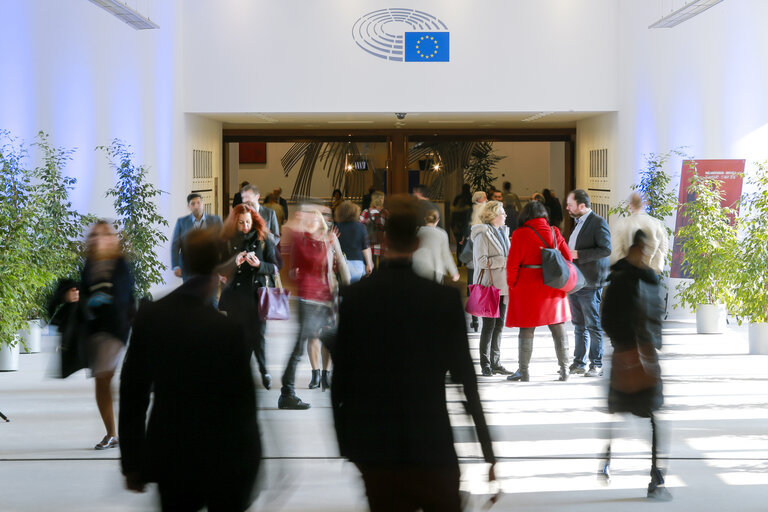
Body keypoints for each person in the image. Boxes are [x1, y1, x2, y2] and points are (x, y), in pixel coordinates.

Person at [331, 194, 497, 512]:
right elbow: (467, 380)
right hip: (431, 440)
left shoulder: (356, 298)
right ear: (418, 244)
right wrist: (488, 453)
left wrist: (348, 446)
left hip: (378, 447)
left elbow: (342, 379)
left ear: (383, 240)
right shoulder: (442, 300)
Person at [119, 228, 261, 511]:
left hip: (171, 455)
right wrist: (249, 471)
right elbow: (243, 408)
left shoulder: (151, 317)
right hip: (222, 459)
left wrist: (133, 463)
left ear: (182, 267)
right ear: (221, 270)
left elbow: (132, 394)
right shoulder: (228, 331)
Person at [599, 230, 670, 500]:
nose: (647, 254)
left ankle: (647, 471)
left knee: (627, 413)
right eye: (645, 249)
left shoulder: (630, 278)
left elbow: (609, 317)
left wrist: (627, 344)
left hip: (632, 356)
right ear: (636, 250)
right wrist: (634, 344)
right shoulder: (634, 279)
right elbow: (651, 317)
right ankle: (653, 474)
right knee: (645, 416)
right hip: (636, 355)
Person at [279, 205, 350, 409]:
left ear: (321, 223)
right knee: (301, 346)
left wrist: (348, 290)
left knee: (334, 342)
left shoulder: (329, 239)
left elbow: (342, 266)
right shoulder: (301, 242)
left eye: (314, 220)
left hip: (327, 298)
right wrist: (325, 243)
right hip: (308, 301)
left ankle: (335, 384)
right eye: (306, 220)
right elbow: (304, 264)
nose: (310, 223)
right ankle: (287, 393)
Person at [81, 221, 136, 449]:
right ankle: (112, 433)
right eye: (94, 235)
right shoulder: (90, 264)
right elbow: (84, 293)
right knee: (101, 383)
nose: (97, 239)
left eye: (102, 235)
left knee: (103, 376)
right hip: (95, 330)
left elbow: (123, 298)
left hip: (114, 330)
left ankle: (116, 433)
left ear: (111, 238)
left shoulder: (119, 264)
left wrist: (101, 300)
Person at [505, 201, 572, 382]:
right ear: (544, 214)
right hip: (552, 285)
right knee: (557, 326)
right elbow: (568, 257)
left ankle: (524, 371)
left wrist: (511, 284)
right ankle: (565, 369)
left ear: (525, 215)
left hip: (527, 286)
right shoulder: (554, 231)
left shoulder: (520, 234)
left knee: (527, 328)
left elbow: (512, 264)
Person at [218, 203, 279, 390]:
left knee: (258, 335)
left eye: (248, 222)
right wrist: (233, 263)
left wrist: (259, 265)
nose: (245, 226)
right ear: (234, 223)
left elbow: (275, 267)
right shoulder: (226, 240)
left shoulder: (263, 238)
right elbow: (219, 270)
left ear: (254, 221)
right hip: (236, 296)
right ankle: (241, 374)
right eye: (241, 223)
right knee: (240, 336)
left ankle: (263, 370)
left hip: (257, 294)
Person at [565, 189, 611, 377]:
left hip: (590, 281)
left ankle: (596, 364)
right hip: (576, 281)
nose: (567, 207)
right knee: (578, 325)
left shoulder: (598, 222)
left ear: (582, 206)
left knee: (592, 324)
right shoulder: (578, 223)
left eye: (571, 204)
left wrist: (579, 254)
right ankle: (579, 363)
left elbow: (605, 249)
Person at [471, 201, 513, 376]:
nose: (505, 215)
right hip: (490, 285)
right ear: (493, 215)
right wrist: (504, 262)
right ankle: (485, 364)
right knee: (489, 325)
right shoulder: (482, 234)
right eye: (502, 213)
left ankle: (496, 362)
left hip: (503, 286)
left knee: (500, 325)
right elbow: (481, 261)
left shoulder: (503, 232)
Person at [610, 192, 668, 275]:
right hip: (649, 275)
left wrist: (626, 270)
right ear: (643, 204)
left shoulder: (621, 225)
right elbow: (662, 249)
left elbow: (617, 252)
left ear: (630, 204)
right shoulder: (656, 223)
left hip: (628, 275)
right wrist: (652, 270)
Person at [171, 193, 223, 281]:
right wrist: (176, 266)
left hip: (210, 266)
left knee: (209, 293)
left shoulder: (216, 220)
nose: (196, 206)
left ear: (203, 204)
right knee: (190, 293)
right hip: (189, 268)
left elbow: (223, 242)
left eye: (199, 203)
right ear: (188, 206)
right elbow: (175, 245)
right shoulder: (182, 222)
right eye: (193, 203)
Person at [413, 209, 459, 283]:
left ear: (425, 219)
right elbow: (446, 255)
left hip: (418, 268)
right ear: (437, 220)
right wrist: (454, 272)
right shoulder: (442, 234)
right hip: (436, 269)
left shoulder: (418, 232)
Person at [464, 190, 487, 333]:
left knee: (473, 277)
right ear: (479, 199)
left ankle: (474, 318)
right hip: (482, 246)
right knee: (480, 277)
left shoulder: (471, 211)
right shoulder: (486, 211)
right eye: (484, 197)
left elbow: (466, 228)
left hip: (472, 246)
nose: (487, 199)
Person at [334, 200, 373, 283]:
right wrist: (369, 264)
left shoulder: (336, 227)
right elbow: (365, 247)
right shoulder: (361, 227)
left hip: (341, 264)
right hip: (357, 264)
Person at [450, 184, 472, 264]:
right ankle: (466, 261)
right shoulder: (471, 198)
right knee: (467, 243)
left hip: (457, 224)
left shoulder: (457, 198)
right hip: (467, 224)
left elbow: (453, 212)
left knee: (459, 243)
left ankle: (459, 262)